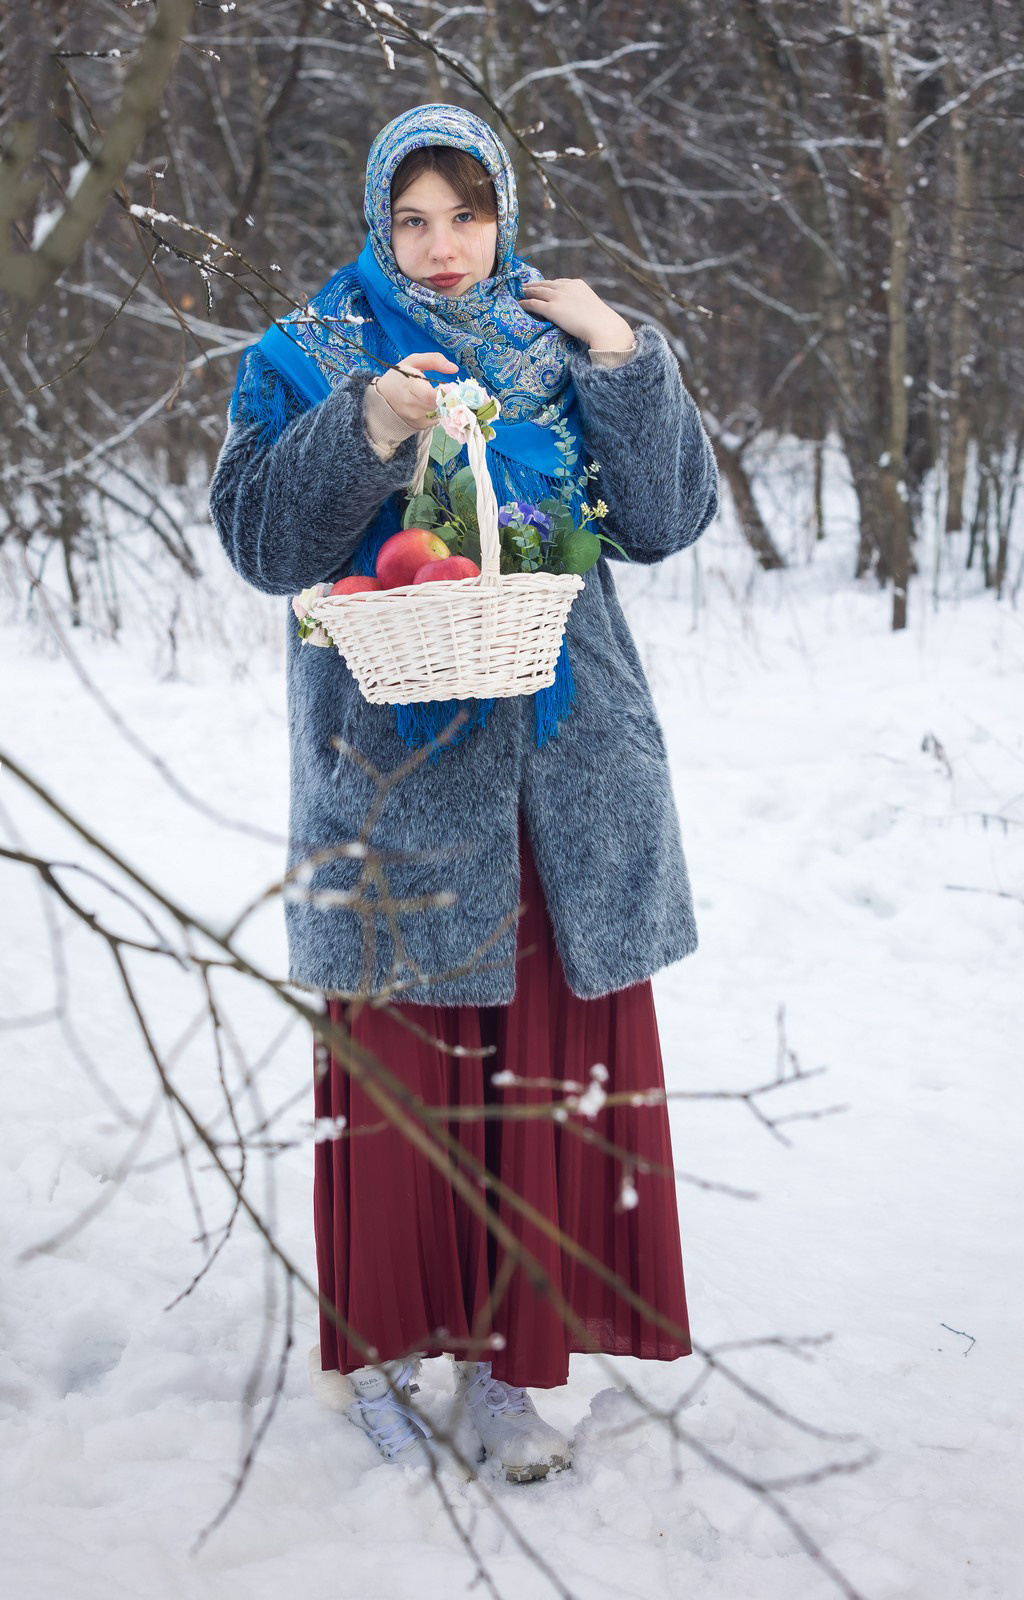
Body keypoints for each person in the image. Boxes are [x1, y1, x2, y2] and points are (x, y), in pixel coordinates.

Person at [209, 103, 719, 1483]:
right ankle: (378, 1352)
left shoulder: (558, 337)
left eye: (468, 215)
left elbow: (664, 521)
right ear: (378, 222)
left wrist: (625, 355)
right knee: (404, 1083)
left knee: (538, 1083)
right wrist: (359, 427)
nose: (443, 248)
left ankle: (507, 1363)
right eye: (414, 219)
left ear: (505, 215)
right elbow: (260, 541)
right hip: (394, 774)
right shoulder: (306, 353)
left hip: (563, 774)